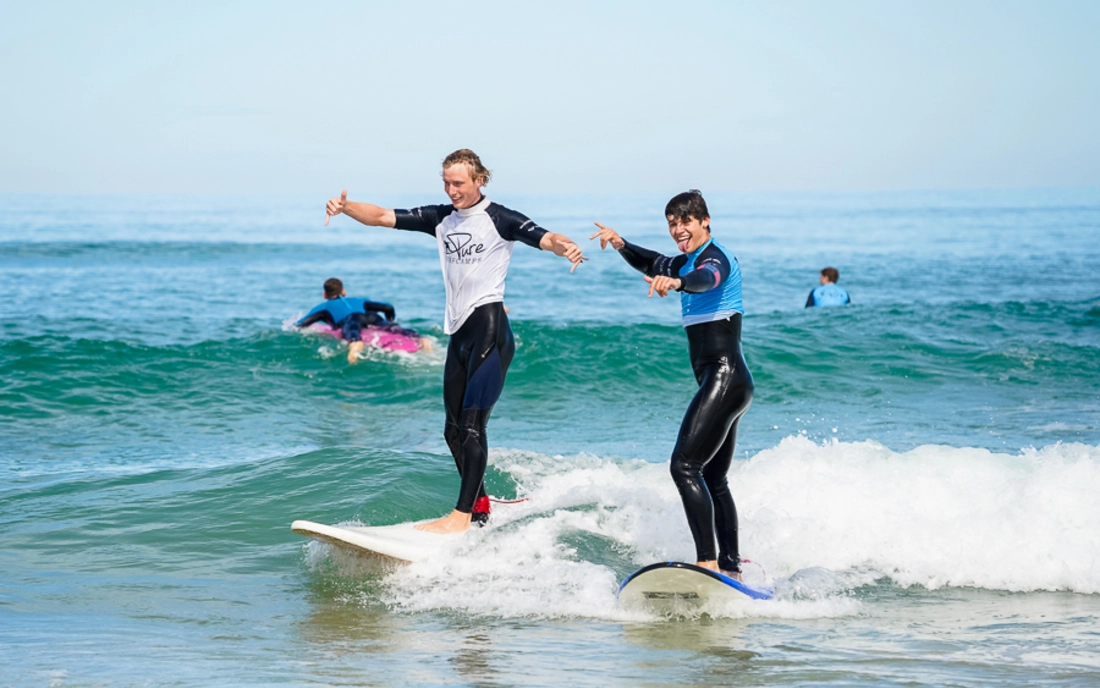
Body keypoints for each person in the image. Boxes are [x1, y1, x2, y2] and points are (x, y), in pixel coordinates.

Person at [324, 149, 586, 533]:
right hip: (459, 333)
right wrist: (346, 208)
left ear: (480, 180)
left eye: (458, 183)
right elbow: (382, 216)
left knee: (472, 426)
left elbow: (545, 238)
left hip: (490, 331)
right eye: (446, 182)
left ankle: (461, 517)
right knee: (452, 430)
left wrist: (566, 247)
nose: (451, 190)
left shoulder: (501, 218)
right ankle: (479, 508)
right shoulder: (441, 218)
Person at [590, 190, 752, 581]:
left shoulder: (714, 259)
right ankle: (731, 567)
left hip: (725, 375)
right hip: (729, 379)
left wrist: (678, 284)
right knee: (713, 477)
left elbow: (703, 280)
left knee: (684, 466)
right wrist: (620, 244)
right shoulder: (685, 259)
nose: (678, 230)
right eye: (672, 224)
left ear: (704, 221)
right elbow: (651, 260)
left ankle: (707, 563)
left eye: (685, 222)